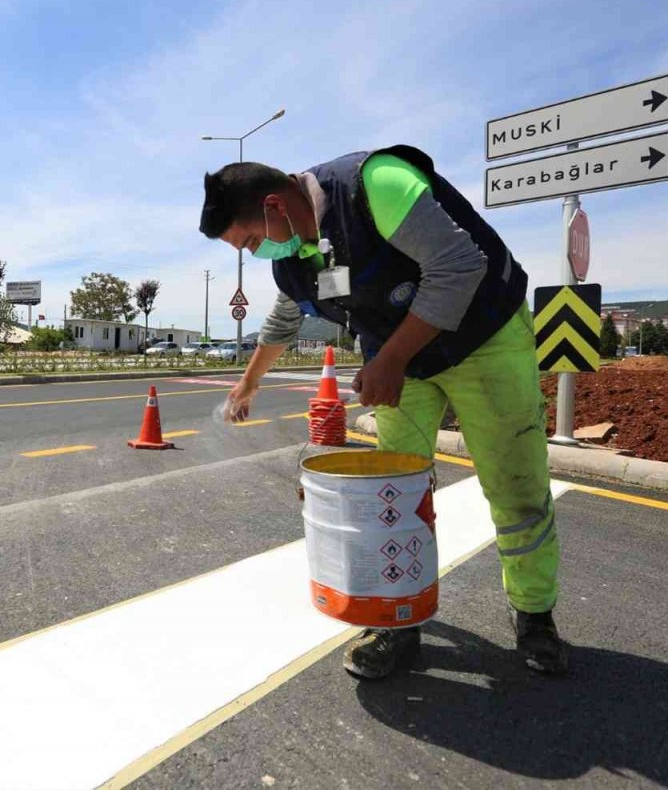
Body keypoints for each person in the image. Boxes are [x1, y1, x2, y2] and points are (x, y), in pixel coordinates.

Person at [198, 146, 569, 677]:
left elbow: (459, 265)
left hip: (483, 337)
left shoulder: (374, 183)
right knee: (391, 497)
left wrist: (391, 359)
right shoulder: (296, 259)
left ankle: (535, 616)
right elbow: (284, 321)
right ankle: (398, 618)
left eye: (252, 241)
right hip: (400, 355)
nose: (255, 253)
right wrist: (247, 385)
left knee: (516, 485)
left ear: (276, 206)